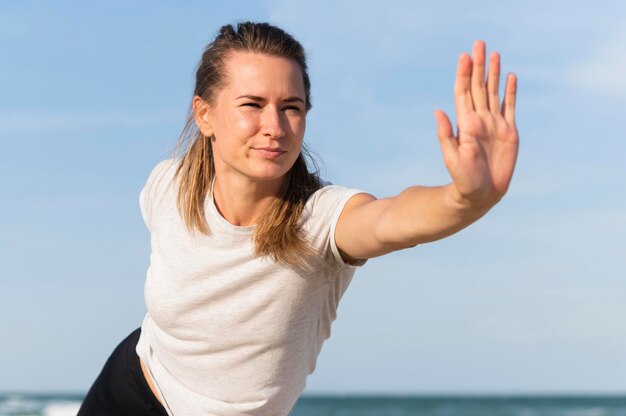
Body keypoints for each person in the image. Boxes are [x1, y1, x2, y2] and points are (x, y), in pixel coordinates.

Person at [78, 21, 518, 416]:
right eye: (252, 104)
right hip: (126, 391)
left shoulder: (320, 221)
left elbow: (391, 219)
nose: (276, 126)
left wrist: (465, 198)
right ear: (204, 114)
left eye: (292, 107)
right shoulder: (168, 187)